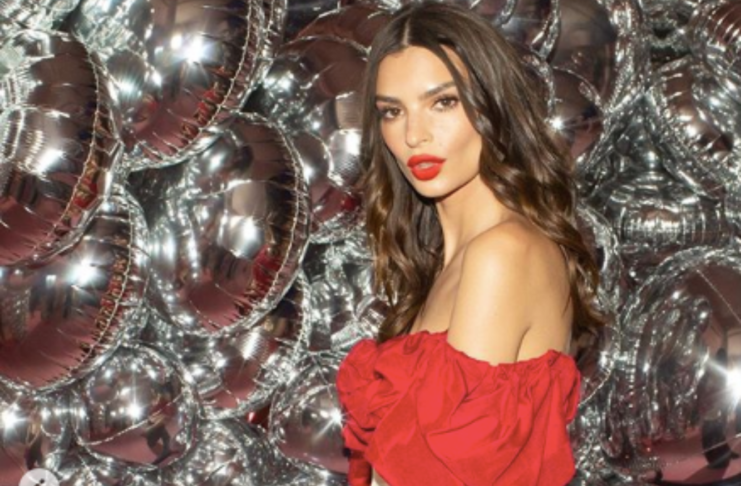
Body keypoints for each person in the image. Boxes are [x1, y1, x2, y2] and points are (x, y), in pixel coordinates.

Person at [336, 2, 605, 486]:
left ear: (492, 106)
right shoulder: (448, 264)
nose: (414, 135)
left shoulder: (501, 255)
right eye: (392, 112)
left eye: (443, 102)